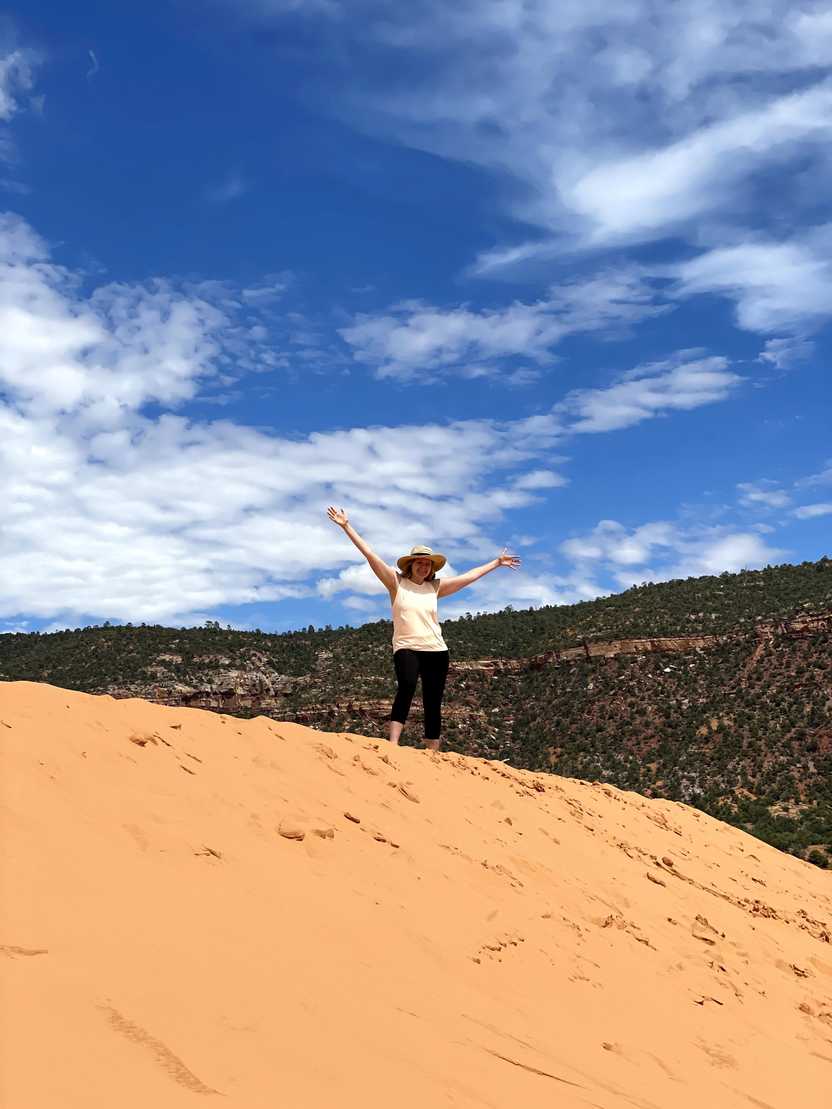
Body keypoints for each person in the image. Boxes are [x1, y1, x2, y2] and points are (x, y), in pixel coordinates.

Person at [327, 506, 521, 750]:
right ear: (411, 565)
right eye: (419, 563)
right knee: (407, 685)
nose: (423, 567)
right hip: (407, 647)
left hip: (436, 650)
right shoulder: (396, 582)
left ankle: (433, 750)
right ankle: (393, 743)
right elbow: (370, 555)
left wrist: (496, 563)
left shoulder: (435, 587)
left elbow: (469, 577)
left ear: (432, 567)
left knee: (433, 699)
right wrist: (346, 526)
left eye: (427, 564)